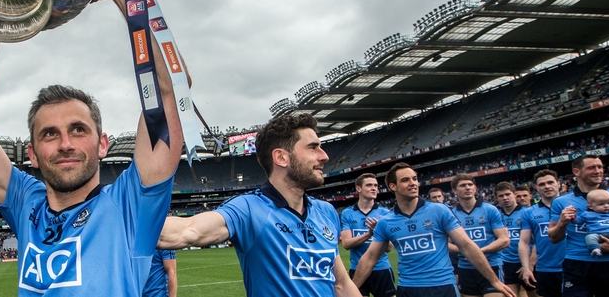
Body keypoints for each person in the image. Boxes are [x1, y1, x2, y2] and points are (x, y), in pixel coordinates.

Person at [0, 0, 186, 296]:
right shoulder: (26, 203)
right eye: (49, 134)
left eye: (78, 129)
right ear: (32, 154)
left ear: (102, 144)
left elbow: (169, 92)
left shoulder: (131, 206)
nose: (65, 144)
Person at [158, 114, 361, 296]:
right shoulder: (248, 209)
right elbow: (190, 230)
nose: (324, 156)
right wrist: (136, 223)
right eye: (312, 148)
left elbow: (341, 284)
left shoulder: (326, 211)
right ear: (281, 157)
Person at [352, 163, 516, 297]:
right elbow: (370, 258)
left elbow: (466, 246)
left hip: (442, 286)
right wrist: (351, 289)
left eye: (414, 179)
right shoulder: (386, 222)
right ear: (393, 186)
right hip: (407, 288)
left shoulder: (439, 211)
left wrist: (493, 280)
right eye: (405, 180)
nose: (413, 183)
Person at [548, 155, 609, 297]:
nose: (598, 171)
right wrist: (561, 224)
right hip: (577, 263)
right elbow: (553, 238)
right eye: (591, 168)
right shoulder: (561, 202)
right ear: (576, 172)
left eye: (600, 167)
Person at [450, 174, 511, 297]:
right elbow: (447, 244)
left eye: (470, 184)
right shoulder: (451, 214)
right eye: (463, 185)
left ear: (475, 188)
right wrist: (466, 251)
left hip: (491, 265)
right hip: (466, 268)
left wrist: (479, 252)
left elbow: (504, 240)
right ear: (455, 190)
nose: (467, 187)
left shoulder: (490, 210)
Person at [340, 173, 396, 297]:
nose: (374, 188)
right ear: (358, 188)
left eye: (376, 185)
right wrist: (369, 234)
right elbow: (346, 244)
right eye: (369, 185)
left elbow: (389, 248)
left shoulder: (385, 213)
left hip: (381, 268)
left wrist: (379, 232)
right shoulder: (347, 213)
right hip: (357, 269)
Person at [518, 170, 565, 297]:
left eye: (550, 182)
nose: (547, 186)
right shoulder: (528, 212)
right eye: (542, 184)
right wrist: (526, 267)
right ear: (536, 188)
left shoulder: (571, 206)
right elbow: (524, 242)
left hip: (573, 265)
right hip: (545, 268)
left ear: (558, 184)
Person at [494, 182, 536, 297]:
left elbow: (537, 241)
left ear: (514, 194)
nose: (505, 198)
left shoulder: (527, 212)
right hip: (506, 263)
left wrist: (528, 264)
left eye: (508, 194)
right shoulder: (496, 215)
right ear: (496, 198)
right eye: (501, 196)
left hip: (525, 262)